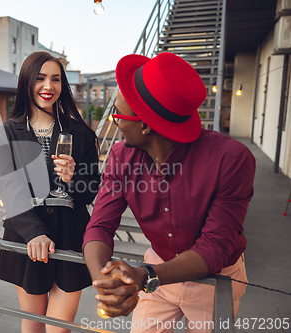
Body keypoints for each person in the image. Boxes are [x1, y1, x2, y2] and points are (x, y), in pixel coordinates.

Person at [83, 52, 256, 332]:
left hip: (216, 278)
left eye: (118, 115)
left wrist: (146, 275)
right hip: (157, 266)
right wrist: (104, 283)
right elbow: (99, 226)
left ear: (145, 124)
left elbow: (214, 247)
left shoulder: (232, 159)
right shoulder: (120, 156)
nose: (116, 123)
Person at [0, 51, 100, 333]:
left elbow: (91, 192)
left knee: (59, 327)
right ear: (26, 82)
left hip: (71, 235)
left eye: (56, 79)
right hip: (27, 235)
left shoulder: (81, 133)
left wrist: (76, 178)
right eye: (40, 78)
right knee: (34, 320)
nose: (48, 86)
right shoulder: (7, 133)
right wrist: (34, 232)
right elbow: (9, 188)